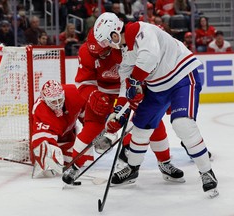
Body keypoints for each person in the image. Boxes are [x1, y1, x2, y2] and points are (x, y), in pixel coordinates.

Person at [93, 12, 218, 197]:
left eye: (105, 41)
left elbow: (149, 58)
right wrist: (117, 113)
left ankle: (207, 172)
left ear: (114, 32)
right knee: (140, 127)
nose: (107, 46)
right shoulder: (125, 52)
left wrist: (134, 83)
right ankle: (132, 168)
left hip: (182, 77)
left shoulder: (142, 30)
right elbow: (124, 83)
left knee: (182, 123)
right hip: (158, 87)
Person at [62, 27, 184, 185]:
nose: (101, 55)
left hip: (128, 89)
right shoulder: (87, 51)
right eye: (97, 52)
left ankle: (164, 161)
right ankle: (75, 165)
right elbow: (83, 82)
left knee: (151, 121)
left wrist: (141, 89)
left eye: (104, 52)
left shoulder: (128, 47)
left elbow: (144, 72)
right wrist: (93, 96)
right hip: (102, 93)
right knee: (92, 127)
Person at [31, 80, 86, 178]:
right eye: (53, 101)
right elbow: (40, 141)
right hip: (55, 140)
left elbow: (87, 117)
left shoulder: (75, 93)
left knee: (87, 157)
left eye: (59, 100)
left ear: (63, 95)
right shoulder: (40, 109)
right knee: (51, 158)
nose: (57, 104)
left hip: (69, 135)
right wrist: (46, 156)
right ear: (44, 99)